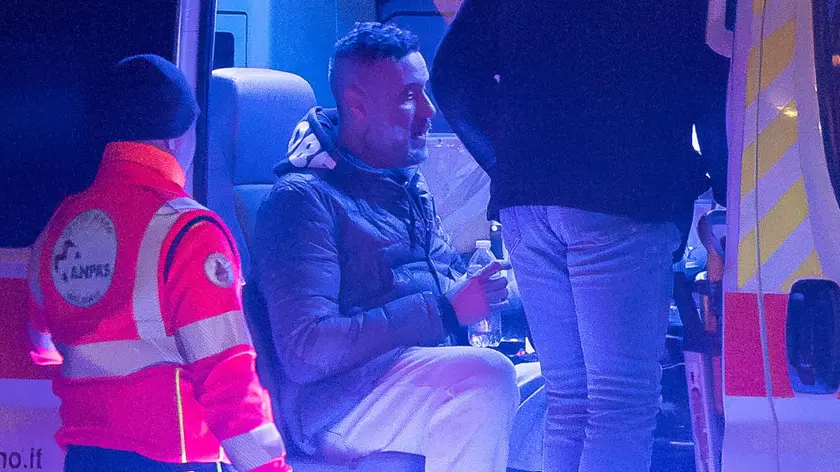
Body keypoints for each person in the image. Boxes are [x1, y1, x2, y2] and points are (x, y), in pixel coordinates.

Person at [431, 1, 725, 471]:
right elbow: (714, 80)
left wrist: (510, 161)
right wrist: (728, 189)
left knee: (569, 401)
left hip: (527, 203)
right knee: (619, 406)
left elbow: (451, 79)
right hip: (626, 193)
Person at [252, 22, 536, 472]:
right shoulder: (302, 200)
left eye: (425, 92)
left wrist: (523, 294)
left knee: (557, 386)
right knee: (485, 376)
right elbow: (307, 349)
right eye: (409, 96)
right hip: (339, 403)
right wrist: (444, 311)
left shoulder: (404, 185)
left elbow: (450, 283)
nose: (428, 110)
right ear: (357, 105)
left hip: (419, 372)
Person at [26, 54, 292, 472]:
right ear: (176, 139)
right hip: (175, 460)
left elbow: (42, 347)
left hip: (84, 458)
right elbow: (227, 380)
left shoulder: (58, 227)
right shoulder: (191, 231)